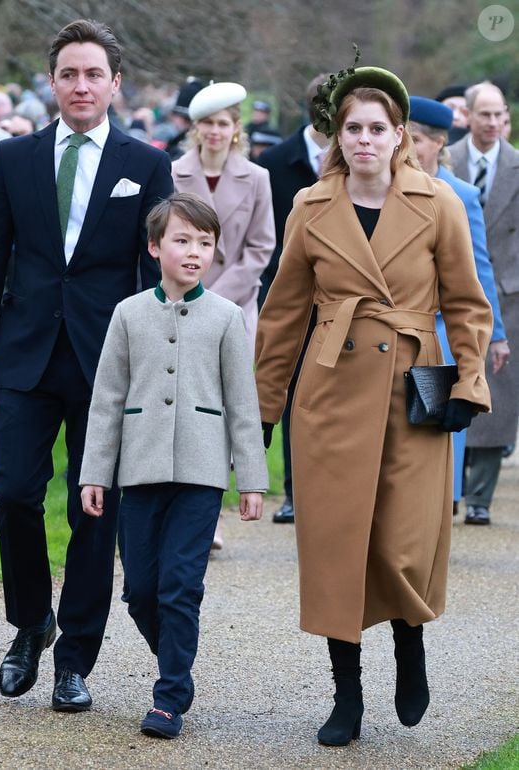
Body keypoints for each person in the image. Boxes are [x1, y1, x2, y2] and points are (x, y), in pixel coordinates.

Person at [255, 60, 492, 746]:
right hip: (330, 393)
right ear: (337, 134)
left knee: (401, 543)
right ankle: (346, 694)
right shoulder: (311, 205)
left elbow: (468, 307)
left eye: (378, 129)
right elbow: (282, 315)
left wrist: (468, 381)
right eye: (352, 128)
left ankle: (410, 648)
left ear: (400, 137)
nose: (364, 140)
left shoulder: (437, 201)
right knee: (335, 548)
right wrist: (264, 411)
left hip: (413, 393)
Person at [0, 19, 173, 712]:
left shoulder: (145, 164)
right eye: (69, 74)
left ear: (115, 83)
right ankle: (31, 623)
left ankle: (74, 659)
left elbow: (153, 273)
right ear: (52, 83)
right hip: (21, 358)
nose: (81, 86)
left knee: (95, 511)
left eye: (93, 74)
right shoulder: (14, 157)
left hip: (107, 365)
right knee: (14, 493)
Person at [79, 192, 267, 739]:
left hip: (201, 475)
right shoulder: (128, 313)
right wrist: (95, 471)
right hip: (138, 471)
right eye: (182, 241)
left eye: (204, 243)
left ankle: (170, 695)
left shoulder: (229, 318)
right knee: (140, 589)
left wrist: (251, 480)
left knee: (180, 586)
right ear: (155, 246)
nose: (193, 252)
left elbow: (242, 402)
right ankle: (176, 660)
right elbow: (107, 398)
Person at [172, 81, 275, 550]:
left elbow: (261, 247)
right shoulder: (173, 173)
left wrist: (219, 294)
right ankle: (187, 510)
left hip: (234, 307)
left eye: (224, 123)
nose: (215, 131)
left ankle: (209, 505)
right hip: (178, 306)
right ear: (196, 129)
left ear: (236, 129)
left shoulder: (256, 177)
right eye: (207, 124)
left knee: (223, 408)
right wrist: (189, 288)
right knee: (182, 403)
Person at [408, 96, 509, 514]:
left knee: (440, 422)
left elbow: (478, 271)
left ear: (437, 143)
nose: (408, 148)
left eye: (416, 139)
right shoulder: (387, 187)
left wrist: (496, 335)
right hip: (398, 325)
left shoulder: (461, 194)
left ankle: (442, 505)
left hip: (443, 329)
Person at [257, 73, 330, 523]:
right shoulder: (277, 162)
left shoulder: (361, 157)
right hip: (293, 292)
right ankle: (293, 491)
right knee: (295, 389)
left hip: (344, 297)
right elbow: (268, 237)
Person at [449, 82, 519, 526]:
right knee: (451, 381)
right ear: (469, 116)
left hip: (509, 292)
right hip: (454, 285)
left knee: (500, 393)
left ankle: (480, 497)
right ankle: (449, 486)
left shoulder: (516, 165)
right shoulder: (445, 160)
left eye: (499, 115)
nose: (492, 123)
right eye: (484, 115)